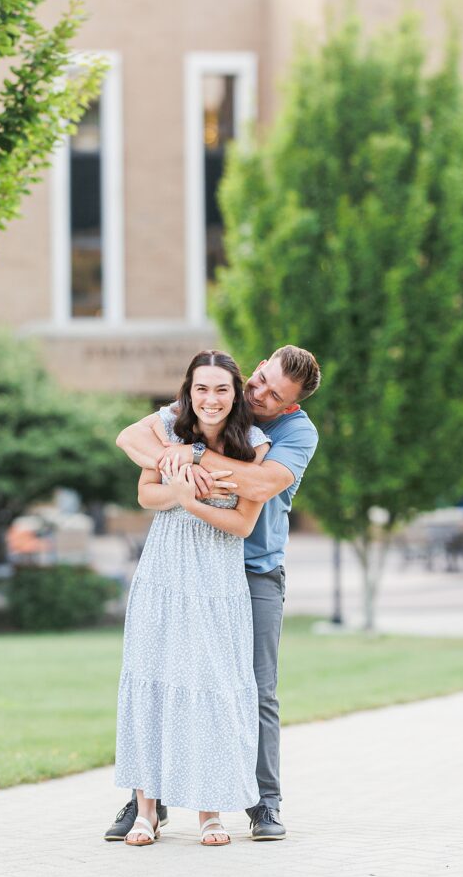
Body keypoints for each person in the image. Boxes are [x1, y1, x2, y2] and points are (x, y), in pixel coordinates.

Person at [106, 345, 321, 842]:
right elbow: (132, 439)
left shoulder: (288, 432)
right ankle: (148, 800)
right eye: (261, 377)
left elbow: (261, 485)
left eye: (274, 393)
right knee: (161, 673)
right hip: (182, 567)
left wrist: (194, 460)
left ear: (290, 405)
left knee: (253, 687)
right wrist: (172, 456)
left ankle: (261, 802)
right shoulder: (206, 398)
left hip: (252, 571)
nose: (259, 391)